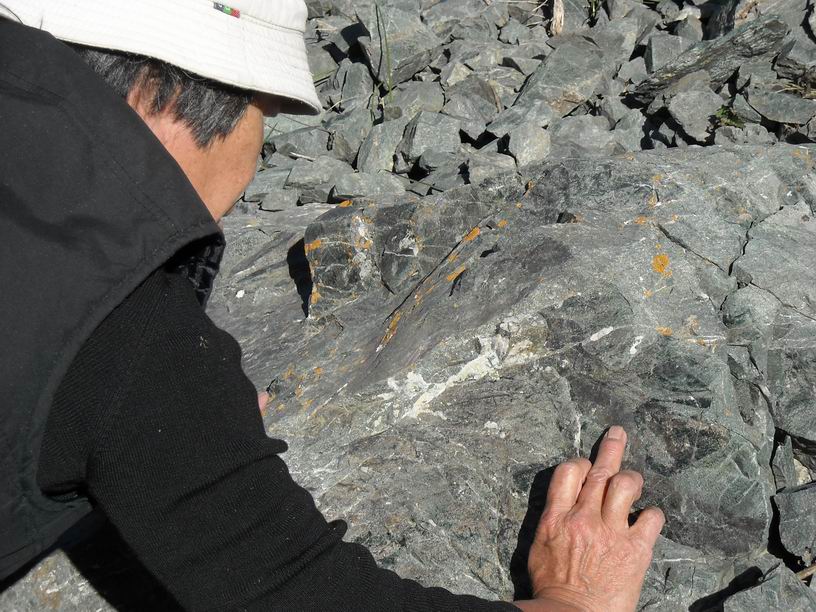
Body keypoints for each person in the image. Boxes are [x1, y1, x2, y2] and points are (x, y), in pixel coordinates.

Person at [0, 1, 665, 609]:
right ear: (165, 93)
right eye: (265, 111)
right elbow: (299, 595)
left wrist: (177, 423)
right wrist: (576, 600)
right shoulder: (127, 330)